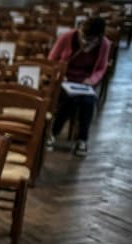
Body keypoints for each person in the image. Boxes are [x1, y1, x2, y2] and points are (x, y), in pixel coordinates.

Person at [47, 16, 110, 156]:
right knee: (70, 100)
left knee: (89, 102)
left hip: (84, 82)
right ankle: (53, 133)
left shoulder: (104, 44)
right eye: (84, 37)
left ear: (99, 37)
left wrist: (91, 80)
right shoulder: (67, 37)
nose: (86, 42)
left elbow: (101, 68)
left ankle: (82, 140)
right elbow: (52, 59)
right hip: (64, 80)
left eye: (91, 40)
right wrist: (59, 74)